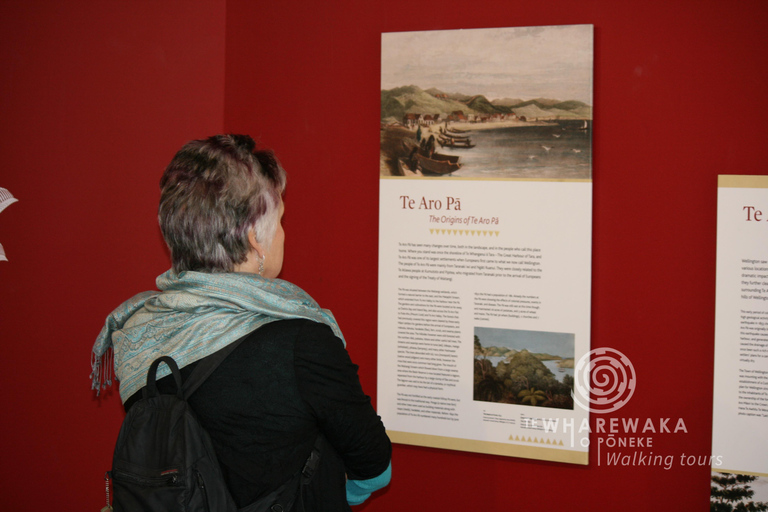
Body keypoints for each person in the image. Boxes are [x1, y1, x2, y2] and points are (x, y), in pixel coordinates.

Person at [91, 134, 391, 511]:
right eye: (280, 220)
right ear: (255, 237)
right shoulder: (302, 343)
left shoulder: (139, 330)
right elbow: (374, 466)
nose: (283, 234)